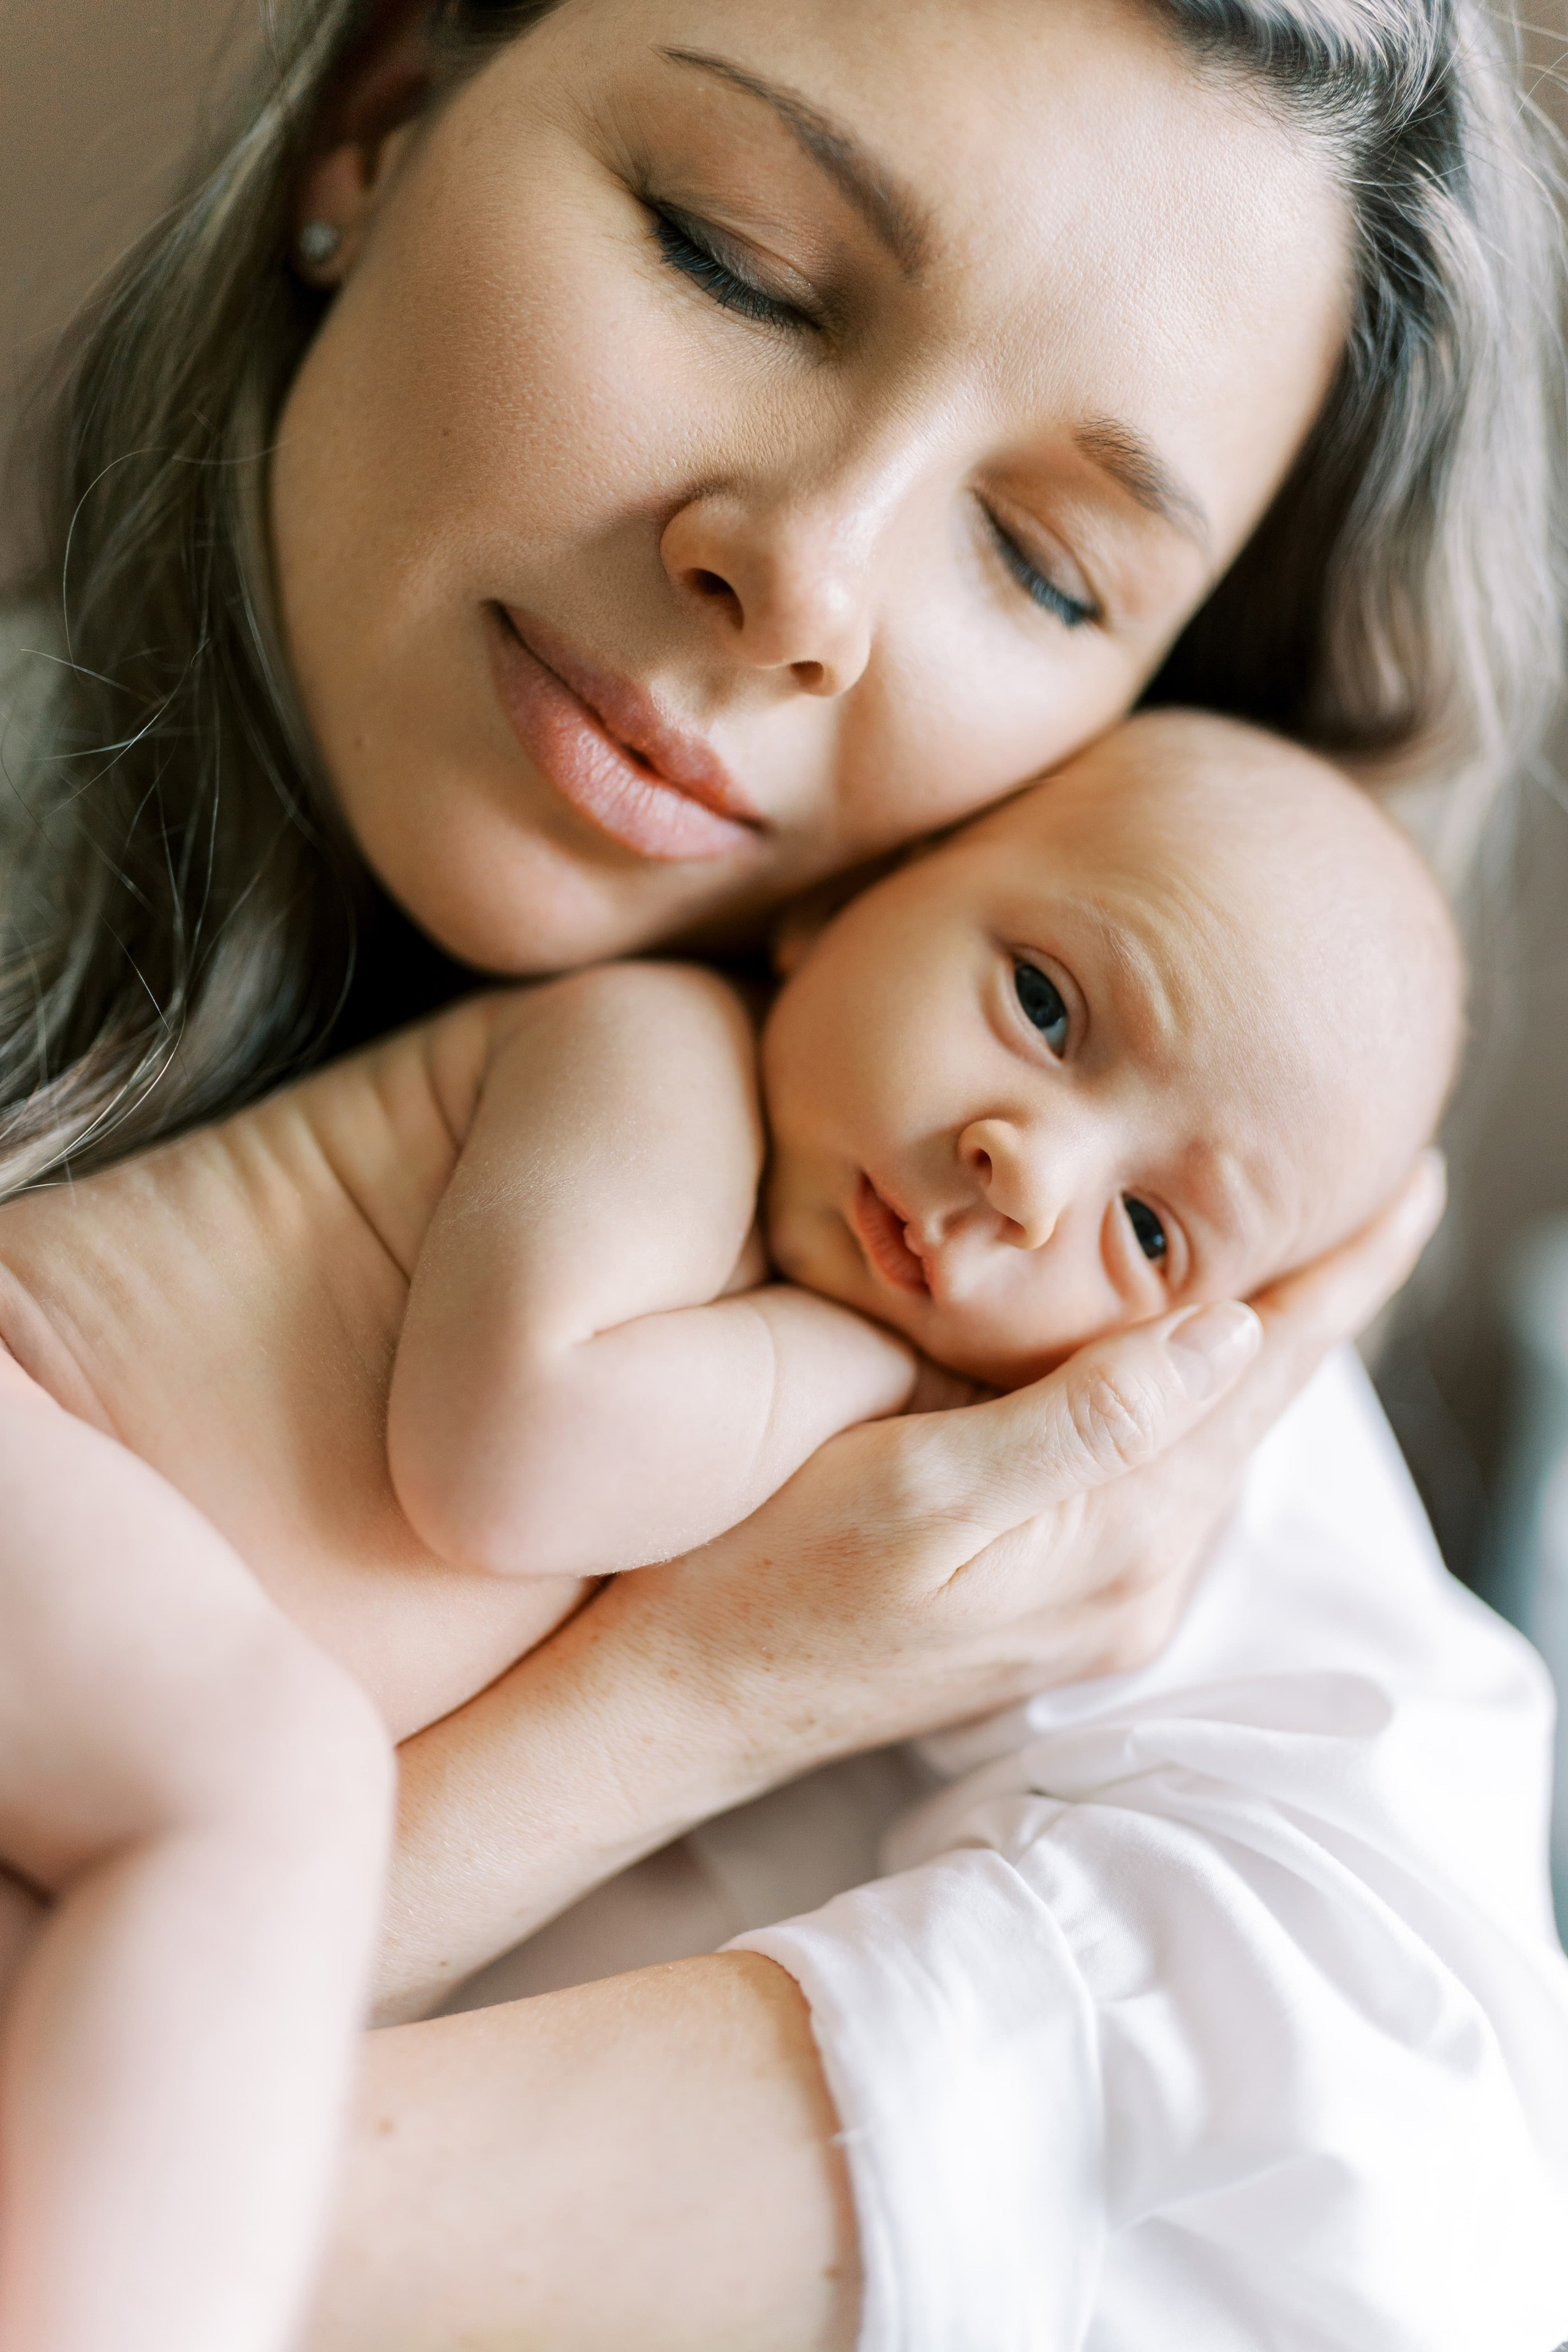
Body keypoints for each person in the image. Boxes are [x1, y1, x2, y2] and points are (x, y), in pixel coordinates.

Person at [1, 0, 1564, 2343]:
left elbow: (1413, 2178)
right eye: (734, 258)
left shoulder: (1081, 1361)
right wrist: (720, 1670)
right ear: (378, 118)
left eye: (1043, 566)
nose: (809, 580)